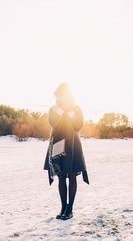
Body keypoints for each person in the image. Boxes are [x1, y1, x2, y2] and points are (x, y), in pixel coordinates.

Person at [43, 83, 89, 220]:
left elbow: (78, 126)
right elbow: (54, 124)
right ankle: (63, 207)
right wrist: (62, 114)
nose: (59, 98)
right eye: (58, 96)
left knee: (73, 176)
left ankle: (70, 209)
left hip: (73, 144)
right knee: (61, 176)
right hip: (58, 143)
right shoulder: (53, 109)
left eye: (61, 95)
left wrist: (71, 115)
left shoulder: (76, 109)